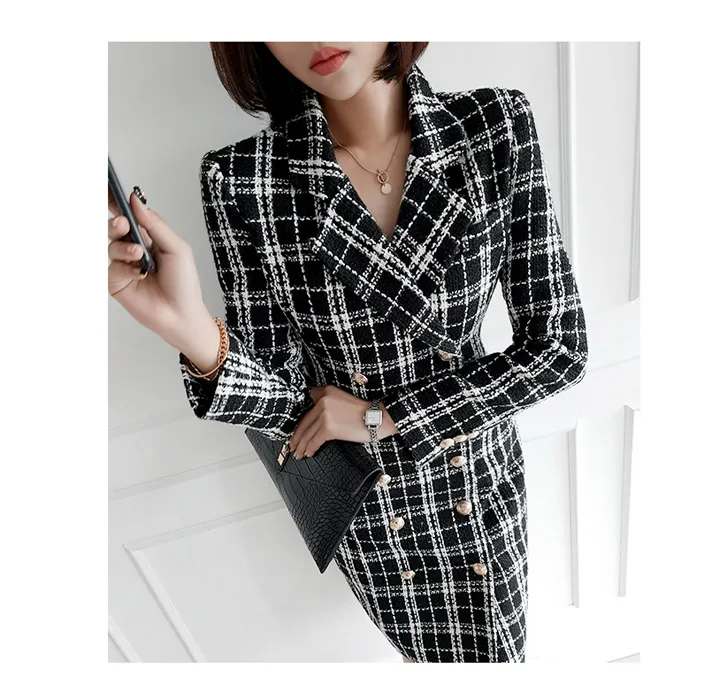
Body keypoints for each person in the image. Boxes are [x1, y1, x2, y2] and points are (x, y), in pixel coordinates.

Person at [108, 42, 589, 663]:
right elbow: (285, 405)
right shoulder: (243, 182)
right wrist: (191, 330)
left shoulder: (492, 128)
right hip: (376, 514)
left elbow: (559, 348)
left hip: (478, 478)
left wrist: (382, 417)